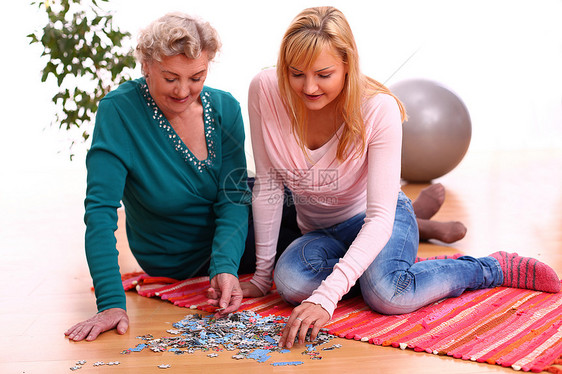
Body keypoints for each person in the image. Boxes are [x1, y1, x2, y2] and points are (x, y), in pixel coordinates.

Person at [242, 6, 561, 349]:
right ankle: (377, 271)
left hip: (381, 218)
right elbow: (270, 185)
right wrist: (262, 278)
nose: (308, 87)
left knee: (389, 295)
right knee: (289, 283)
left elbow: (380, 218)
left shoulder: (378, 108)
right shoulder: (265, 89)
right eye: (296, 73)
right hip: (320, 231)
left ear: (347, 65)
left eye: (323, 74)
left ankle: (490, 268)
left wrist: (327, 296)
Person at [65, 12, 250, 342]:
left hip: (240, 240)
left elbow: (233, 198)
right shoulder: (119, 111)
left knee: (298, 207)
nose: (183, 90)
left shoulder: (225, 108)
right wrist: (110, 303)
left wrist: (225, 267)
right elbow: (100, 211)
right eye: (170, 78)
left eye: (197, 77)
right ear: (146, 66)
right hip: (174, 258)